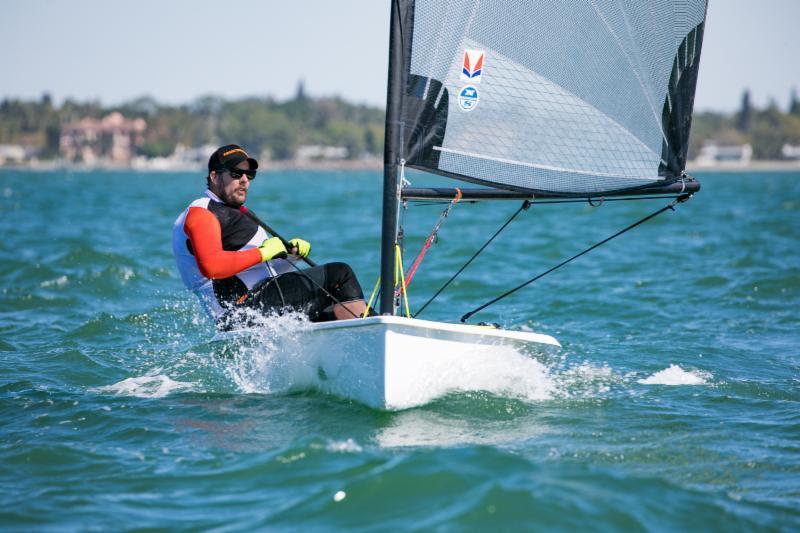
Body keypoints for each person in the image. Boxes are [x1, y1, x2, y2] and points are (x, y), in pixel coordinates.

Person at [172, 144, 369, 329]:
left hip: (260, 302)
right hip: (238, 313)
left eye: (249, 174)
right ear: (214, 177)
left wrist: (290, 257)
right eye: (236, 173)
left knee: (336, 304)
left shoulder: (231, 211)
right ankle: (372, 339)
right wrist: (263, 252)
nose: (244, 180)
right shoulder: (202, 213)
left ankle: (384, 331)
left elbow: (256, 270)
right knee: (339, 275)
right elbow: (212, 267)